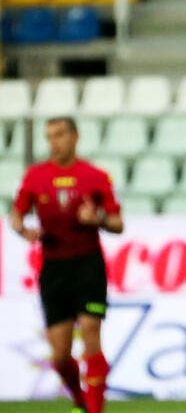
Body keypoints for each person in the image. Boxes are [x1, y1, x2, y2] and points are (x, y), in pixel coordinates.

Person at [10, 117, 124, 413]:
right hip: (54, 269)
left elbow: (117, 223)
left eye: (60, 135)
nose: (54, 142)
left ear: (75, 136)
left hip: (88, 265)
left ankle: (95, 410)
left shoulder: (95, 176)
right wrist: (25, 231)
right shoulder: (35, 177)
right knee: (60, 355)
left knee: (90, 333)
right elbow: (17, 217)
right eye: (49, 136)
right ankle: (81, 403)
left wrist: (96, 219)